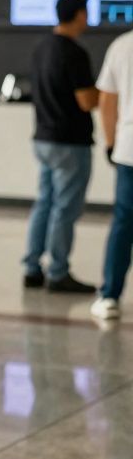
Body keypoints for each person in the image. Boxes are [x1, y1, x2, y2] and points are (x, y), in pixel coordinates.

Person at [22, 0, 100, 293]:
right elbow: (85, 101)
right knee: (65, 208)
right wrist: (106, 93)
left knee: (45, 203)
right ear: (79, 14)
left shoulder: (41, 48)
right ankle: (58, 271)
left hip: (43, 137)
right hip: (70, 142)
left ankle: (32, 267)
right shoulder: (74, 53)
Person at [94, 28, 133, 320]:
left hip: (128, 150)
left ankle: (109, 297)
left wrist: (110, 142)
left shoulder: (122, 46)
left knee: (123, 223)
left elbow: (107, 100)